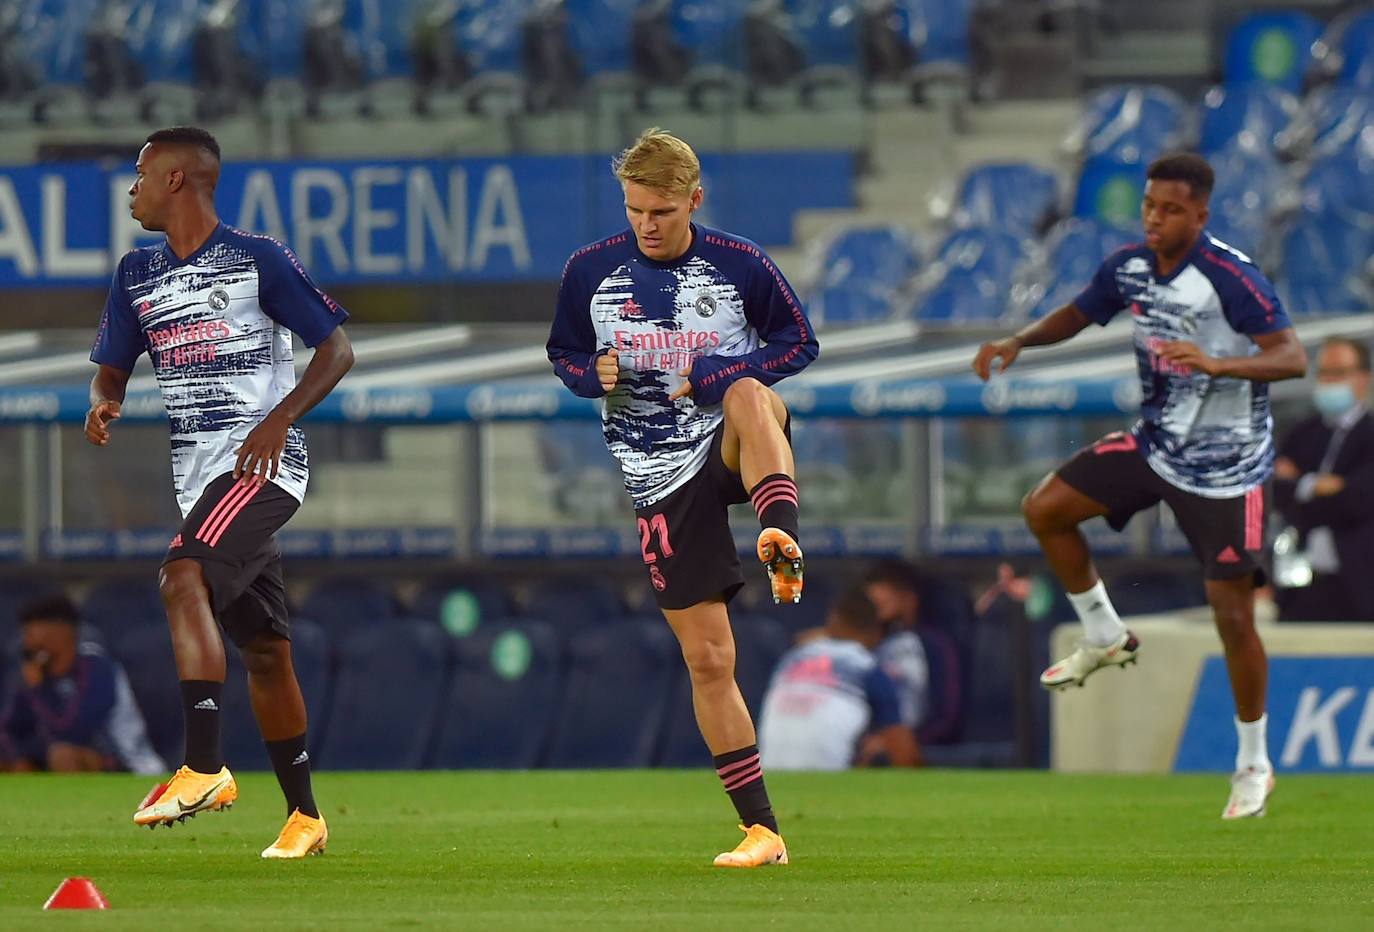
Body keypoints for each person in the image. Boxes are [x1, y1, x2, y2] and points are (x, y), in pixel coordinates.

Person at [972, 152, 1307, 820]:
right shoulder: (1129, 267)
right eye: (1151, 205)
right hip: (1158, 441)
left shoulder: (1229, 276)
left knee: (1233, 618)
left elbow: (1292, 357)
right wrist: (1020, 340)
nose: (1156, 218)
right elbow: (1079, 312)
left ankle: (1253, 763)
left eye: (1172, 209)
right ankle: (1104, 633)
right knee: (1047, 510)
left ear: (1201, 214)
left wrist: (1216, 361)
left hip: (1228, 465)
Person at [547, 127, 818, 868]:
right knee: (708, 659)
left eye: (661, 210)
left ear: (693, 201)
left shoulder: (739, 265)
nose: (647, 224)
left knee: (750, 393)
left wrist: (718, 370)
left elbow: (798, 342)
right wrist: (587, 374)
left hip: (728, 442)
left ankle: (779, 534)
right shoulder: (589, 272)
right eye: (636, 209)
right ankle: (761, 831)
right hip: (656, 472)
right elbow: (563, 350)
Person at [86, 126, 354, 858]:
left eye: (140, 173)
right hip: (198, 480)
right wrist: (106, 398)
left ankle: (204, 766)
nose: (131, 188)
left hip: (259, 468)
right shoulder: (135, 274)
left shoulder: (256, 259)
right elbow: (113, 365)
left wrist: (278, 420)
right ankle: (305, 818)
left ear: (176, 179)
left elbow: (337, 348)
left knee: (181, 577)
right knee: (266, 651)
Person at [758, 587, 920, 770]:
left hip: (767, 779)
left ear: (831, 622)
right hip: (826, 781)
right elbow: (906, 757)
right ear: (876, 630)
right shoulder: (866, 667)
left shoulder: (791, 659)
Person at [0, 595, 164, 775]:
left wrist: (38, 691)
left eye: (31, 633)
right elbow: (10, 728)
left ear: (59, 632)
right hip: (57, 755)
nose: (27, 641)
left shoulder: (95, 666)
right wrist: (20, 757)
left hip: (123, 762)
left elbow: (73, 730)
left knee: (63, 756)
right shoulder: (37, 672)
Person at [1272, 337, 1374, 621]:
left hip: (1361, 583)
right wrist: (1320, 486)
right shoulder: (1300, 434)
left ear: (1363, 378)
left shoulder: (1369, 435)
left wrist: (1301, 485)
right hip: (1301, 582)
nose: (1329, 381)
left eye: (1338, 373)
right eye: (1323, 373)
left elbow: (1358, 500)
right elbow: (1276, 492)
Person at [862, 560, 965, 744]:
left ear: (909, 600)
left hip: (921, 747)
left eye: (881, 604)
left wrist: (903, 743)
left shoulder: (934, 644)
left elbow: (947, 713)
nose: (875, 614)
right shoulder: (867, 645)